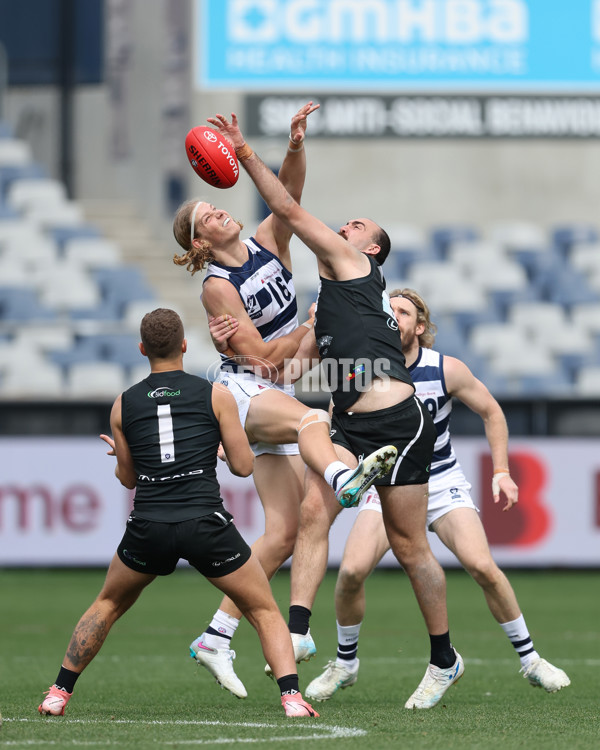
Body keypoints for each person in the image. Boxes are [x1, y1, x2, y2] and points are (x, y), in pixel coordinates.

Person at [204, 111, 463, 711]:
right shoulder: (329, 303)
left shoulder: (354, 267)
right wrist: (242, 346)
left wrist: (244, 150)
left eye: (357, 225)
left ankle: (444, 659)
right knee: (314, 512)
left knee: (409, 546)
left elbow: (290, 209)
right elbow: (288, 372)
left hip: (398, 418)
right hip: (349, 420)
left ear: (370, 248)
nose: (345, 225)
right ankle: (297, 626)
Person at [172, 103, 396, 699]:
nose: (220, 209)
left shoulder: (267, 241)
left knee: (282, 531)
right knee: (310, 420)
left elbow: (286, 198)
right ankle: (346, 477)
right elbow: (263, 362)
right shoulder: (219, 287)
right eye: (209, 213)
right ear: (201, 240)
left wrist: (294, 145)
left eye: (216, 203)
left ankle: (215, 637)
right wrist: (312, 328)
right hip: (245, 391)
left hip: (274, 383)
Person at [38, 308, 319, 719]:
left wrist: (122, 456)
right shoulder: (215, 395)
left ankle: (59, 693)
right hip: (205, 524)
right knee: (263, 609)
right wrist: (218, 449)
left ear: (141, 349)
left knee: (108, 603)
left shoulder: (123, 404)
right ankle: (292, 700)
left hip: (149, 525)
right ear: (185, 346)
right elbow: (243, 467)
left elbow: (128, 480)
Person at [304, 289, 571, 702]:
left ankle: (531, 659)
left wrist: (501, 471)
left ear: (420, 327)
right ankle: (345, 663)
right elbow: (341, 424)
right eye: (388, 310)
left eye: (403, 312)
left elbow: (492, 411)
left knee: (482, 566)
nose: (393, 317)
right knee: (352, 573)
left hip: (440, 481)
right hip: (387, 484)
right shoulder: (366, 369)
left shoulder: (444, 368)